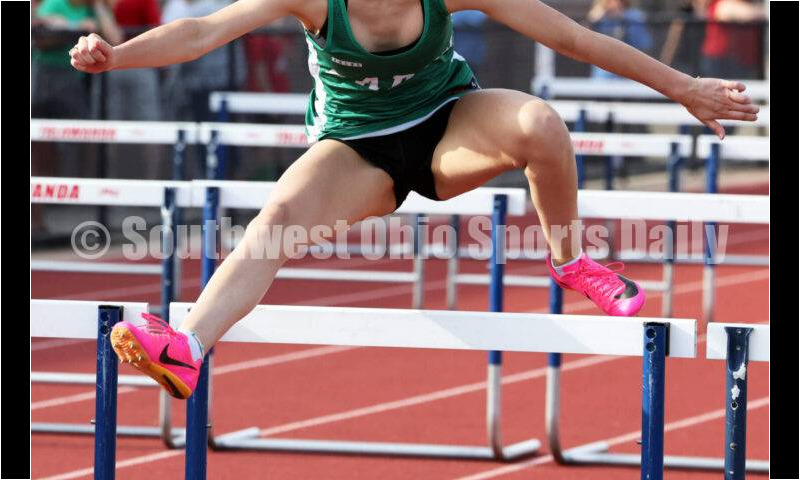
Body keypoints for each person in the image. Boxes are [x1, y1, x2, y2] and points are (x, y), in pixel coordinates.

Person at [70, 0, 759, 399]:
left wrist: (683, 87)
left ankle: (572, 262)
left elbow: (572, 36)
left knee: (542, 124)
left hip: (449, 124)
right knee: (275, 222)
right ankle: (188, 345)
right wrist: (117, 55)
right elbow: (201, 33)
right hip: (356, 149)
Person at [700, 0, 766, 79]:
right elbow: (730, 11)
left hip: (742, 60)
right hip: (721, 60)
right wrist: (761, 11)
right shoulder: (721, 3)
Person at [587, 0, 652, 80]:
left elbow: (643, 43)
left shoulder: (634, 17)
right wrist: (594, 21)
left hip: (629, 64)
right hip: (605, 66)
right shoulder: (599, 17)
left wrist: (624, 19)